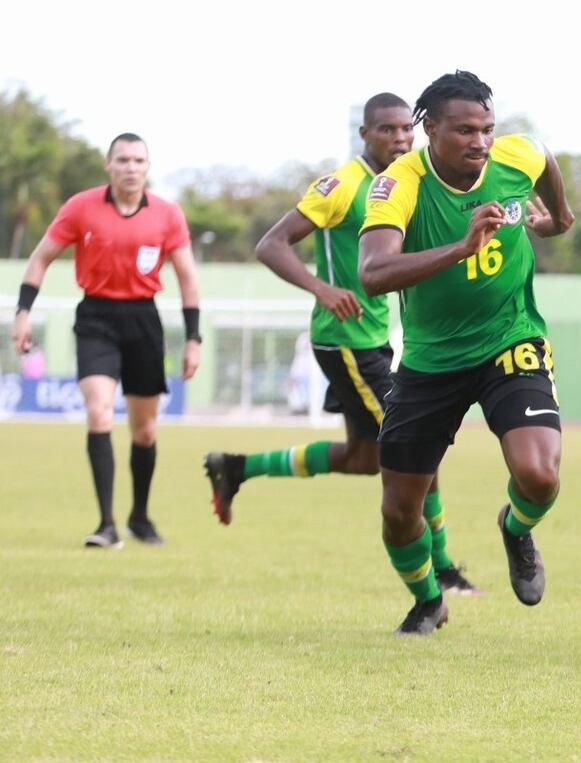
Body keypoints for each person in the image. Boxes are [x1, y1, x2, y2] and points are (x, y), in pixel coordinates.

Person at [201, 93, 478, 595]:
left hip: (372, 338)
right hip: (347, 341)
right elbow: (270, 244)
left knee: (362, 457)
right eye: (387, 130)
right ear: (365, 135)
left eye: (405, 130)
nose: (399, 138)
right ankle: (443, 571)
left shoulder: (409, 181)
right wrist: (321, 289)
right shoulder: (342, 186)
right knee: (420, 453)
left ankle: (236, 467)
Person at [357, 71, 574, 636]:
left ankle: (516, 528)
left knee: (540, 475)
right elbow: (373, 273)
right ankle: (429, 599)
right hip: (431, 361)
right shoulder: (399, 183)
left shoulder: (513, 156)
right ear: (429, 129)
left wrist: (561, 218)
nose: (480, 142)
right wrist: (461, 247)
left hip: (511, 337)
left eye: (487, 129)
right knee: (400, 512)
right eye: (464, 131)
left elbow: (543, 158)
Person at [11, 133, 202, 548]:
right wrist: (23, 313)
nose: (131, 168)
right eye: (123, 160)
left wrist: (193, 339)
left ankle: (140, 517)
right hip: (96, 317)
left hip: (144, 321)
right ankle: (106, 525)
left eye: (138, 160)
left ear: (147, 167)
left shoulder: (168, 214)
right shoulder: (81, 207)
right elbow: (41, 257)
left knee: (145, 430)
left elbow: (187, 278)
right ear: (108, 165)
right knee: (98, 412)